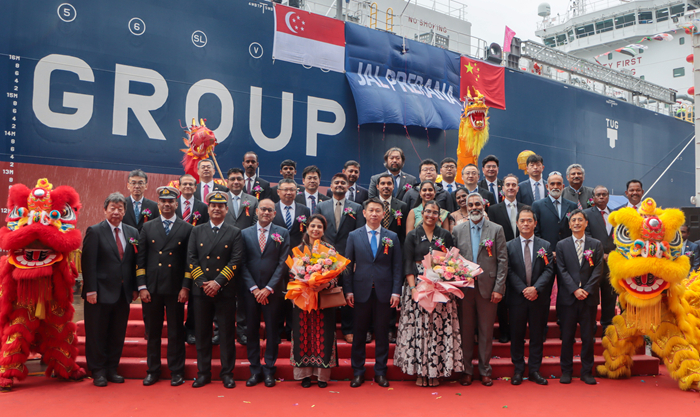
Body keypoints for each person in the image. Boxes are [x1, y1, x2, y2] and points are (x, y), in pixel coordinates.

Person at [394, 200, 463, 387]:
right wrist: (413, 288)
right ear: (422, 213)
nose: (431, 215)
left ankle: (435, 371)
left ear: (439, 216)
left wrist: (445, 282)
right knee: (420, 328)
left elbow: (451, 261)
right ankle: (419, 371)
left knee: (437, 327)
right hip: (418, 284)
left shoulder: (445, 235)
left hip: (440, 285)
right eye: (428, 211)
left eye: (435, 212)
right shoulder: (413, 235)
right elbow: (408, 262)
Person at [186, 191, 244, 389]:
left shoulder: (234, 232)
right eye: (213, 206)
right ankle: (203, 373)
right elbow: (191, 258)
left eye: (220, 206)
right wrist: (203, 283)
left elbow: (235, 260)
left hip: (224, 291)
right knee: (202, 334)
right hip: (201, 291)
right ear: (208, 209)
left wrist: (218, 283)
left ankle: (227, 373)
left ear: (226, 209)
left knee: (226, 335)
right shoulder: (197, 230)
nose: (217, 209)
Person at [136, 186, 193, 387]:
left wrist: (186, 287)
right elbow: (141, 260)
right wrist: (142, 286)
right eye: (163, 201)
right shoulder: (148, 227)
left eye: (170, 202)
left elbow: (189, 261)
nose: (167, 204)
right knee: (153, 332)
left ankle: (177, 371)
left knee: (176, 332)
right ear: (158, 204)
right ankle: (153, 370)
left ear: (177, 204)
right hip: (152, 289)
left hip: (176, 289)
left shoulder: (187, 228)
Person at [81, 192, 139, 387]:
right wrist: (90, 290)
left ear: (124, 211)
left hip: (123, 293)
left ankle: (112, 368)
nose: (116, 212)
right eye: (112, 208)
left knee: (117, 333)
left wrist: (134, 288)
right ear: (105, 210)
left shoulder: (132, 232)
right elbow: (88, 263)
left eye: (120, 208)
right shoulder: (95, 231)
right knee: (97, 333)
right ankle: (98, 371)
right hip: (99, 292)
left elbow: (133, 262)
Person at [344, 198, 402, 388]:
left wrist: (396, 292)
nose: (374, 214)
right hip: (360, 291)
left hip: (384, 292)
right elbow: (347, 266)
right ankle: (358, 372)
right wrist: (348, 290)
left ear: (384, 214)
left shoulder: (392, 237)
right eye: (371, 210)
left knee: (382, 333)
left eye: (378, 210)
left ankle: (380, 372)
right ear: (364, 213)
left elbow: (397, 266)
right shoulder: (354, 235)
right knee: (359, 334)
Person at [452, 193, 507, 387]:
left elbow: (502, 261)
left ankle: (485, 370)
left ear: (484, 206)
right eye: (471, 205)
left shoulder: (496, 229)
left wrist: (499, 288)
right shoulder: (457, 230)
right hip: (465, 289)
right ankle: (466, 371)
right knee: (465, 331)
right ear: (466, 208)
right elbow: (452, 260)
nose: (474, 207)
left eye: (478, 204)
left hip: (488, 289)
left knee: (486, 331)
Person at [241, 199, 290, 388]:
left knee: (272, 331)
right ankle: (254, 369)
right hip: (250, 292)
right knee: (251, 330)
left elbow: (283, 263)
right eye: (263, 209)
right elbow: (242, 263)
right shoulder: (244, 233)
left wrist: (268, 288)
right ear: (256, 211)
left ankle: (269, 369)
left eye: (270, 210)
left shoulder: (282, 233)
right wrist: (254, 288)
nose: (266, 212)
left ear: (275, 213)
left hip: (273, 292)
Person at [314, 173, 365, 343]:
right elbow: (317, 231)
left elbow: (359, 234)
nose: (339, 185)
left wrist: (357, 259)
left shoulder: (356, 207)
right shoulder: (321, 206)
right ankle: (325, 329)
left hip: (347, 258)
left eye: (343, 183)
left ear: (348, 187)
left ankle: (348, 329)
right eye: (336, 182)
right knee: (326, 292)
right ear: (330, 186)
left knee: (347, 292)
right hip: (324, 258)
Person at [506, 208, 554, 386]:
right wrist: (523, 289)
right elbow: (508, 270)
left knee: (537, 335)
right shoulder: (509, 245)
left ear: (535, 223)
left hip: (538, 298)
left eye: (529, 220)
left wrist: (536, 288)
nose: (525, 224)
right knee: (516, 335)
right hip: (517, 299)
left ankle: (534, 370)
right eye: (522, 221)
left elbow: (549, 269)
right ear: (517, 224)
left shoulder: (545, 245)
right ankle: (518, 370)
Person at [290, 214, 338, 388]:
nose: (315, 229)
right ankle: (304, 375)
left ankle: (321, 375)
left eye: (319, 227)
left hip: (323, 299)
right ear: (307, 228)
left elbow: (336, 275)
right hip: (302, 299)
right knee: (303, 334)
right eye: (313, 226)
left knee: (323, 334)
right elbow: (291, 274)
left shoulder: (330, 250)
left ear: (323, 230)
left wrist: (324, 284)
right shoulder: (298, 250)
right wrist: (303, 283)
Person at [555, 209, 603, 385]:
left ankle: (586, 372)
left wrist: (587, 290)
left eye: (580, 220)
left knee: (588, 337)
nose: (577, 223)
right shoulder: (561, 245)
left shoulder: (595, 244)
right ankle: (566, 371)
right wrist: (575, 289)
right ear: (569, 225)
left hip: (588, 299)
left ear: (586, 223)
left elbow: (598, 269)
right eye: (573, 220)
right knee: (567, 337)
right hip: (568, 299)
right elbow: (561, 270)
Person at [273, 178, 312, 341]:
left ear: (297, 192)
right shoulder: (272, 209)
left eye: (292, 190)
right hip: (276, 258)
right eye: (285, 189)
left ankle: (291, 330)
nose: (288, 193)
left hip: (298, 260)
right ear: (278, 191)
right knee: (277, 296)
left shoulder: (304, 210)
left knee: (295, 295)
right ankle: (276, 330)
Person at [224, 167, 258, 345]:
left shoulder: (252, 200)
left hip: (246, 255)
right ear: (227, 182)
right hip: (224, 254)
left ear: (244, 181)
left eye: (239, 179)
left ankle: (242, 331)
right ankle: (221, 330)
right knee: (224, 295)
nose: (236, 182)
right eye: (233, 179)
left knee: (244, 296)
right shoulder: (221, 199)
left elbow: (255, 226)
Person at [583, 185, 618, 332]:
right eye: (598, 195)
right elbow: (586, 236)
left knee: (610, 298)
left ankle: (607, 329)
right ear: (593, 198)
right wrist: (601, 254)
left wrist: (614, 254)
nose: (602, 197)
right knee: (591, 299)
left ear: (608, 197)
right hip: (593, 264)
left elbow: (620, 237)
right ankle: (590, 329)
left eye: (604, 194)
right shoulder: (586, 214)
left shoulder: (616, 215)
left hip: (612, 264)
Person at [488, 174, 524, 242]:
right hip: (502, 246)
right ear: (503, 188)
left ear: (518, 188)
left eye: (514, 185)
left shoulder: (525, 209)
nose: (511, 187)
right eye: (508, 185)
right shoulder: (493, 210)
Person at [376, 172, 408, 245]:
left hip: (395, 245)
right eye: (383, 183)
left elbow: (403, 232)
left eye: (389, 183)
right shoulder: (370, 205)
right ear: (377, 186)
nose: (386, 186)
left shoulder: (402, 206)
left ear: (393, 186)